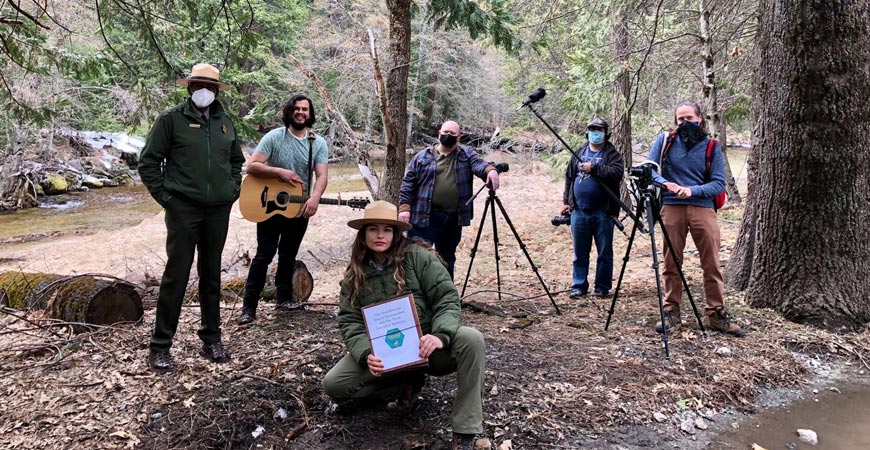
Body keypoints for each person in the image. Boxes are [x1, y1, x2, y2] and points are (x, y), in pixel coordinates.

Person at [323, 201, 486, 450]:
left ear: (396, 233)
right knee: (334, 384)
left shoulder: (417, 257)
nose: (380, 235)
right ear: (363, 233)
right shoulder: (354, 274)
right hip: (387, 358)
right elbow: (350, 320)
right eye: (373, 229)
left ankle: (465, 429)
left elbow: (446, 297)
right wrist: (367, 354)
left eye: (387, 229)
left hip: (429, 350)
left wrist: (440, 336)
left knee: (472, 339)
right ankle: (403, 384)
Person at [139, 63, 245, 372]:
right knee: (177, 275)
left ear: (216, 91)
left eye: (210, 87)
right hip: (183, 209)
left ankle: (211, 340)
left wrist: (232, 189)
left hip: (218, 211)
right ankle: (160, 346)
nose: (204, 91)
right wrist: (167, 199)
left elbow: (236, 160)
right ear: (189, 88)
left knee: (211, 275)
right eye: (198, 85)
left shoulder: (225, 122)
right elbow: (149, 163)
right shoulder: (171, 121)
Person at [646, 100, 744, 337]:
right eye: (680, 119)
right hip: (671, 206)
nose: (685, 123)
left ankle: (716, 313)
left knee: (711, 262)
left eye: (689, 118)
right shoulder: (665, 141)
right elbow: (648, 169)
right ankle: (671, 312)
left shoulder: (712, 146)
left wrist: (693, 191)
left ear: (700, 118)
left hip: (702, 207)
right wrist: (666, 183)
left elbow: (719, 183)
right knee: (671, 262)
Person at [237, 94, 329, 325]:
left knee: (288, 254)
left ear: (310, 114)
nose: (301, 112)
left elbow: (322, 175)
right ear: (289, 111)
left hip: (298, 208)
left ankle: (283, 299)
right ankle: (249, 307)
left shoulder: (317, 143)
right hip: (269, 206)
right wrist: (280, 172)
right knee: (264, 254)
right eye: (297, 108)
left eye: (305, 109)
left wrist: (315, 198)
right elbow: (251, 166)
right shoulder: (274, 137)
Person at [398, 120, 500, 279]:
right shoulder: (422, 157)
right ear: (439, 133)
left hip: (452, 220)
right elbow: (407, 184)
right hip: (423, 218)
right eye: (445, 132)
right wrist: (404, 208)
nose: (448, 135)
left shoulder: (466, 155)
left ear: (458, 136)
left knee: (446, 259)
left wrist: (490, 171)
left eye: (452, 133)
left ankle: (446, 298)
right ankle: (417, 298)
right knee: (416, 258)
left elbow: (479, 165)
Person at [560, 117, 624, 299]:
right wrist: (566, 201)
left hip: (603, 211)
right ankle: (579, 286)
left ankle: (602, 287)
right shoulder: (579, 151)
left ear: (606, 133)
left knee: (604, 252)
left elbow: (617, 173)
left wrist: (594, 168)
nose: (595, 133)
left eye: (599, 130)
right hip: (579, 210)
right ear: (587, 132)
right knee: (580, 251)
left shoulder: (611, 153)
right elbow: (569, 177)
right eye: (592, 129)